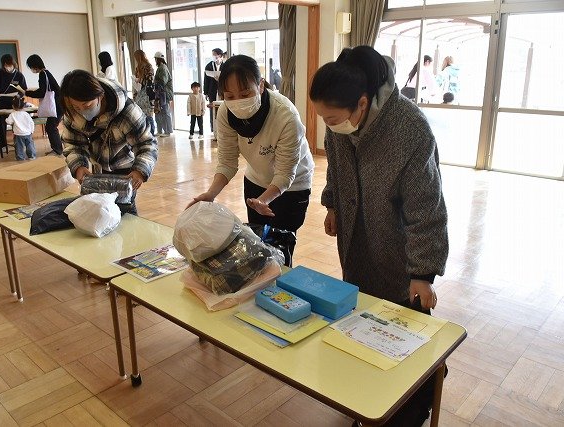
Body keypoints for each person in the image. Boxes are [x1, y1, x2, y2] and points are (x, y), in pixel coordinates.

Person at [309, 45, 448, 427]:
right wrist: (333, 204)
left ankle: (412, 407)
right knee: (363, 318)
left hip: (398, 249)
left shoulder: (410, 128)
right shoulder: (341, 119)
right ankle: (367, 399)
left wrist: (422, 273)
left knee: (405, 329)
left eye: (332, 118)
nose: (328, 125)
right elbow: (335, 167)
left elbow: (427, 206)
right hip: (356, 236)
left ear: (362, 103)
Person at [189, 54, 314, 236]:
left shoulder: (286, 116)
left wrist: (264, 200)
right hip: (256, 179)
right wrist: (211, 194)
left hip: (293, 185)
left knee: (280, 243)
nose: (238, 102)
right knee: (257, 242)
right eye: (229, 96)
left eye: (245, 94)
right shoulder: (225, 112)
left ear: (261, 85)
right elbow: (227, 162)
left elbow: (285, 174)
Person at [59, 69, 157, 215]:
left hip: (126, 172)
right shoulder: (72, 113)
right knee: (99, 213)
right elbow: (72, 144)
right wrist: (78, 166)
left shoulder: (128, 111)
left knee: (125, 213)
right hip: (96, 172)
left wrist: (140, 171)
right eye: (76, 107)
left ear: (101, 96)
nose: (82, 111)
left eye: (87, 105)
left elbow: (146, 144)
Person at [23, 54, 63, 156]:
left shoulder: (43, 74)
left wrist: (27, 93)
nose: (31, 69)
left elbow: (42, 93)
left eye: (31, 66)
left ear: (34, 65)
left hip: (56, 105)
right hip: (58, 104)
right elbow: (44, 90)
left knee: (51, 127)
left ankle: (58, 150)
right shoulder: (46, 73)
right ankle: (57, 149)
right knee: (51, 127)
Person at [0, 54, 27, 149]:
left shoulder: (19, 75)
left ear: (13, 64)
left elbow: (23, 89)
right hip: (2, 101)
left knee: (17, 123)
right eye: (5, 65)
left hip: (15, 102)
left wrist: (19, 95)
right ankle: (3, 145)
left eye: (9, 65)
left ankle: (19, 143)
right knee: (1, 124)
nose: (7, 67)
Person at [132, 49, 156, 136]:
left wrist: (140, 80)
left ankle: (151, 135)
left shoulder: (147, 67)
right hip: (142, 93)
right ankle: (148, 135)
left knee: (147, 116)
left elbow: (150, 80)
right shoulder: (140, 67)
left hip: (147, 94)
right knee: (145, 116)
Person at [5, 95, 36, 161]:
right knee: (30, 145)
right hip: (28, 133)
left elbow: (9, 122)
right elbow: (31, 122)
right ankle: (32, 156)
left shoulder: (12, 114)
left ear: (13, 106)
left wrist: (6, 119)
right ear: (23, 106)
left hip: (18, 134)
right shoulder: (26, 114)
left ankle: (20, 157)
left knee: (19, 146)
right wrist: (32, 131)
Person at [203, 48, 224, 137]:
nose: (214, 56)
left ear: (220, 55)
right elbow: (206, 80)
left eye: (215, 54)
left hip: (222, 91)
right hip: (212, 90)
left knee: (222, 108)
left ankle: (222, 128)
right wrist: (206, 92)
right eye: (213, 54)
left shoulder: (225, 66)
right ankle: (213, 129)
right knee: (212, 109)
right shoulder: (209, 66)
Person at [153, 51, 173, 137]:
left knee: (165, 112)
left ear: (158, 59)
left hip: (164, 94)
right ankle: (160, 130)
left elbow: (162, 82)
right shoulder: (161, 67)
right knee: (158, 112)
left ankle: (167, 131)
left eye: (155, 59)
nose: (155, 60)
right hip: (160, 93)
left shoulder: (163, 68)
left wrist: (154, 82)